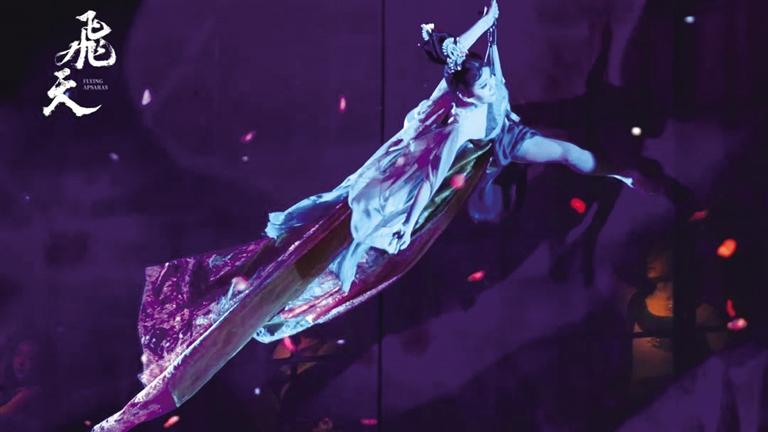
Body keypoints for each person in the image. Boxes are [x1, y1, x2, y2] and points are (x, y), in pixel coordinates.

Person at [92, 2, 654, 430]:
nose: (480, 76)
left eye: (480, 73)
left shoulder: (494, 96)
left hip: (478, 154)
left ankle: (612, 173)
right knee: (360, 222)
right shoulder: (460, 110)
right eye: (472, 76)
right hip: (418, 175)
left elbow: (553, 138)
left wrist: (490, 20)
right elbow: (435, 161)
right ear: (463, 84)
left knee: (563, 156)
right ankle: (324, 268)